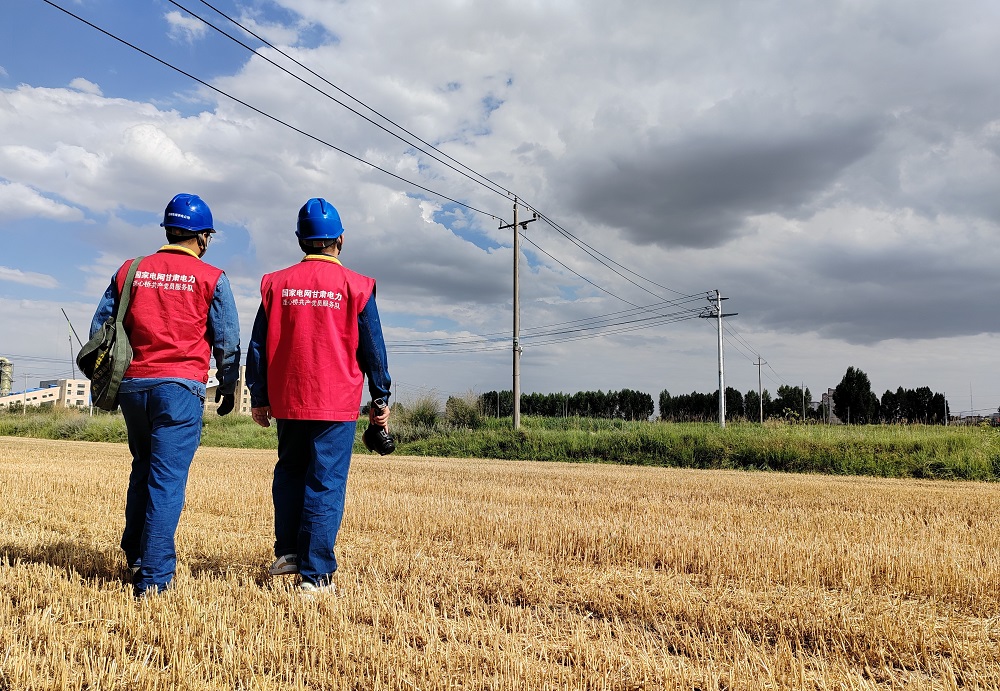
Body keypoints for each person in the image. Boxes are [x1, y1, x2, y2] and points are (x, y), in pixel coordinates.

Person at [89, 193, 241, 598]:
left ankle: (136, 555)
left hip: (132, 387)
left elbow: (99, 328)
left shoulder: (129, 270)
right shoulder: (212, 277)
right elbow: (227, 341)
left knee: (143, 467)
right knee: (167, 479)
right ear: (202, 237)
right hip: (180, 389)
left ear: (169, 230)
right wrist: (228, 385)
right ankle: (154, 578)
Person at [246, 197, 391, 594]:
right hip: (336, 402)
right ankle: (316, 575)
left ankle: (289, 552)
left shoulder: (276, 283)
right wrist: (380, 397)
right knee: (325, 482)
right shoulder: (358, 286)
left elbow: (257, 345)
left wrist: (259, 395)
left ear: (300, 240)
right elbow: (373, 349)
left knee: (290, 472)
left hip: (288, 399)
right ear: (340, 239)